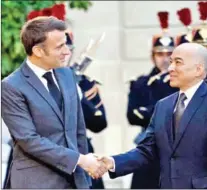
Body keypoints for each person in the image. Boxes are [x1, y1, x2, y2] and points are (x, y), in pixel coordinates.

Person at [97, 43, 207, 189]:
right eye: (171, 62)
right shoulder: (163, 106)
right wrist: (113, 162)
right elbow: (147, 150)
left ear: (199, 69)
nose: (170, 68)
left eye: (178, 62)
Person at [1, 16, 107, 189]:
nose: (67, 52)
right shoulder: (11, 86)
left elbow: (78, 129)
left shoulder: (67, 75)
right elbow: (29, 140)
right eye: (60, 47)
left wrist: (86, 171)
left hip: (75, 181)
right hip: (36, 182)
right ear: (38, 51)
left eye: (66, 44)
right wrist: (80, 160)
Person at [127, 11, 178, 189]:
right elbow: (132, 116)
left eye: (169, 54)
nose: (164, 59)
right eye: (160, 54)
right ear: (153, 56)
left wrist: (148, 111)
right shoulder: (140, 83)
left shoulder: (181, 83)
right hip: (148, 149)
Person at [65, 31, 107, 189]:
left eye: (68, 49)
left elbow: (99, 123)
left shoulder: (84, 83)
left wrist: (79, 96)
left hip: (81, 152)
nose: (64, 54)